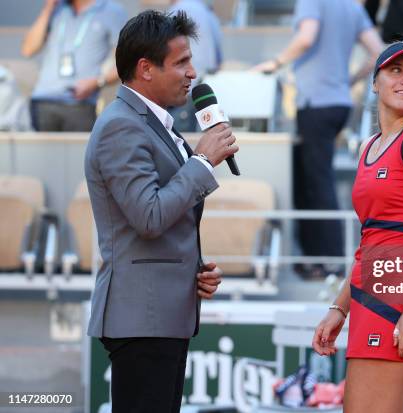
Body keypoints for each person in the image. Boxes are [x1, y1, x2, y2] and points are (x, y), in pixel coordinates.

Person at [85, 11, 238, 413]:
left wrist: (194, 269)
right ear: (145, 69)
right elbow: (149, 216)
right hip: (142, 317)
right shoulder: (122, 126)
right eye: (181, 62)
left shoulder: (152, 124)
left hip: (160, 315)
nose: (193, 72)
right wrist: (202, 163)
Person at [312, 38, 403, 412]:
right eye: (396, 70)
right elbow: (370, 241)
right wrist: (340, 308)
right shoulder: (368, 147)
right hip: (368, 300)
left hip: (400, 302)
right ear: (375, 81)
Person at [253, 0, 384, 278]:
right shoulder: (352, 7)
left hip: (316, 103)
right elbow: (378, 52)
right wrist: (348, 80)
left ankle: (329, 261)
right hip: (338, 102)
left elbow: (306, 37)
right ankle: (317, 258)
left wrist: (275, 63)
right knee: (314, 180)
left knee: (317, 182)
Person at [21, 0, 127, 131]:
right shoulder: (56, 8)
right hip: (43, 100)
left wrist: (98, 82)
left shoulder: (112, 11)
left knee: (78, 151)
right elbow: (28, 50)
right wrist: (47, 9)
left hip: (80, 103)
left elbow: (126, 62)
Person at [167, 0, 223, 131]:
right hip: (204, 93)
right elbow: (219, 59)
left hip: (183, 94)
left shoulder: (178, 11)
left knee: (181, 146)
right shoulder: (208, 13)